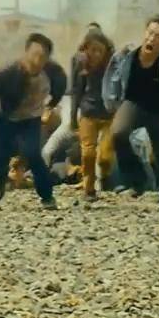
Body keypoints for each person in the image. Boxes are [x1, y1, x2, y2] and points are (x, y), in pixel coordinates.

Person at [0, 33, 68, 209]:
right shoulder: (8, 72)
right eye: (34, 55)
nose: (37, 61)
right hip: (5, 117)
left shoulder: (54, 72)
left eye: (42, 57)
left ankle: (47, 195)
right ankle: (0, 179)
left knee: (33, 154)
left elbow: (60, 87)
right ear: (26, 53)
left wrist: (51, 105)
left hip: (31, 119)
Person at [103, 15, 159, 221]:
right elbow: (112, 77)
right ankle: (137, 178)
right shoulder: (127, 55)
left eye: (158, 36)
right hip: (133, 103)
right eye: (150, 33)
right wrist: (111, 101)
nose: (151, 39)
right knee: (118, 133)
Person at [67, 29, 116, 201]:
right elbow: (76, 90)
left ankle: (105, 175)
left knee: (105, 157)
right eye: (92, 50)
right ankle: (89, 189)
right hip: (88, 112)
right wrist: (73, 116)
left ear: (105, 51)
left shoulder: (113, 64)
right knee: (88, 153)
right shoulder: (80, 63)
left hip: (110, 114)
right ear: (86, 49)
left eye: (99, 50)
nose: (95, 54)